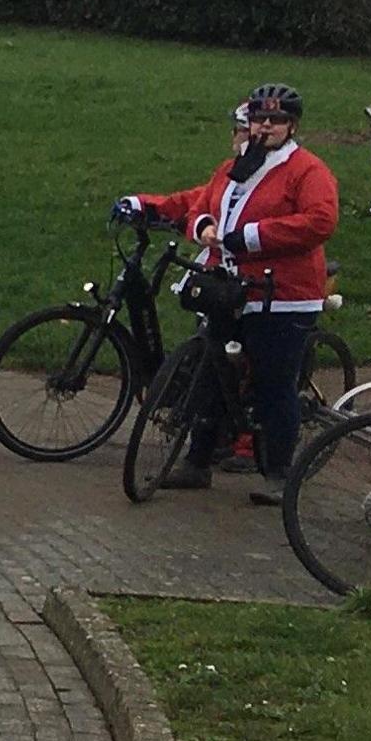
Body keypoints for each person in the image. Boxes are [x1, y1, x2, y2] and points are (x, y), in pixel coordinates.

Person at [115, 83, 337, 499]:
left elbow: (319, 221)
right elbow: (205, 203)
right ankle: (197, 461)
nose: (266, 126)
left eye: (276, 120)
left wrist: (248, 237)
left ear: (292, 126)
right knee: (211, 371)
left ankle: (279, 474)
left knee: (274, 382)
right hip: (231, 288)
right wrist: (204, 228)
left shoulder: (308, 171)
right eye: (259, 119)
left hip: (283, 294)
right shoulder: (234, 167)